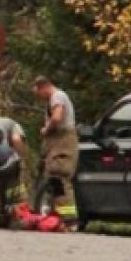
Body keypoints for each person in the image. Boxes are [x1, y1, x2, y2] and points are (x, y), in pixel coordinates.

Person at [33, 76, 80, 227]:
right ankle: (58, 217)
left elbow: (57, 117)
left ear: (43, 87)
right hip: (58, 143)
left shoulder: (57, 96)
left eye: (38, 93)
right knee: (53, 178)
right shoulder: (55, 97)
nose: (39, 98)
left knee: (59, 175)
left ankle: (69, 219)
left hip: (63, 142)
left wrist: (46, 129)